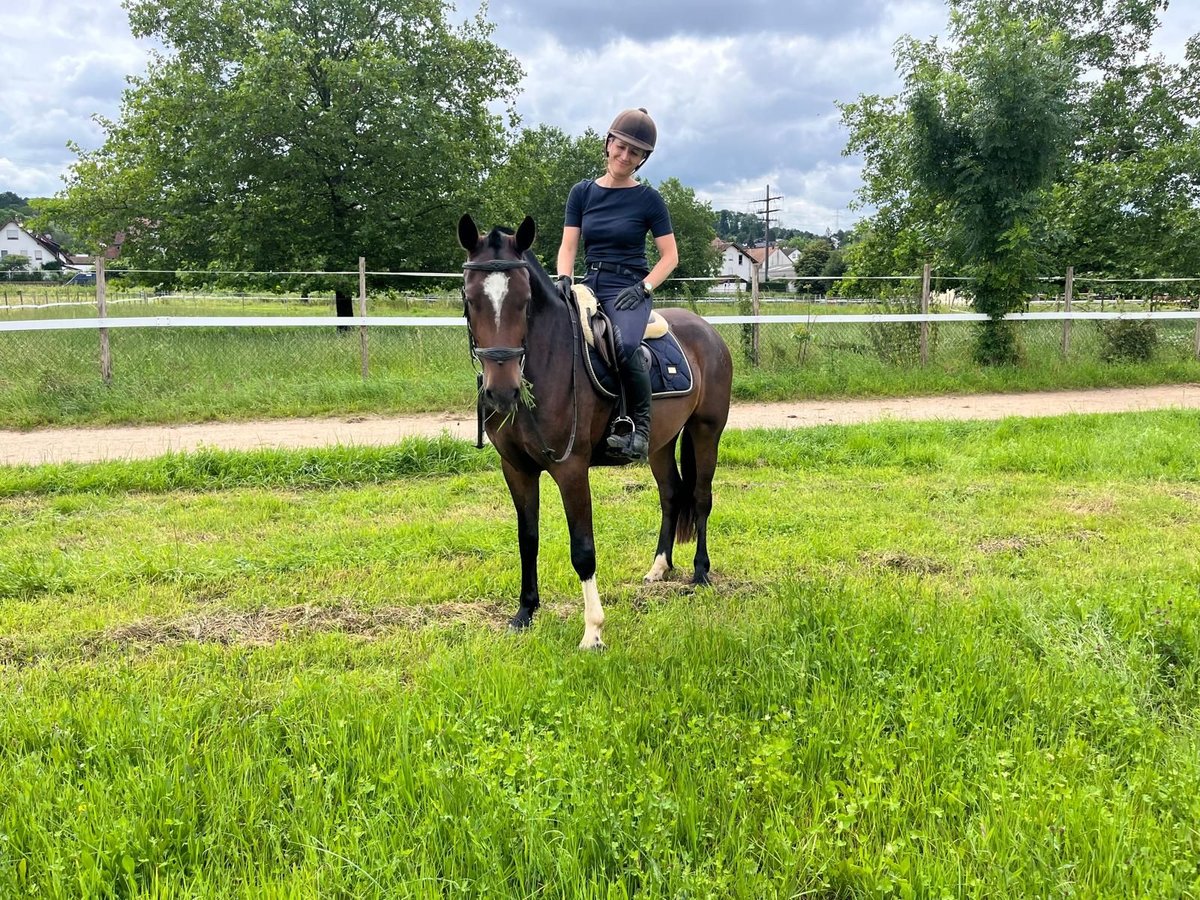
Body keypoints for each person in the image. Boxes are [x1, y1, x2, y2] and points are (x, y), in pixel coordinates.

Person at [555, 108, 679, 462]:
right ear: (608, 143)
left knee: (623, 346)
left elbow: (670, 256)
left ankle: (639, 427)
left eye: (634, 152)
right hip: (590, 283)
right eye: (620, 147)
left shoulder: (649, 200)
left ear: (642, 159)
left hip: (628, 289)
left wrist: (645, 288)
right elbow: (568, 246)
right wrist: (565, 278)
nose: (625, 157)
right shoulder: (581, 193)